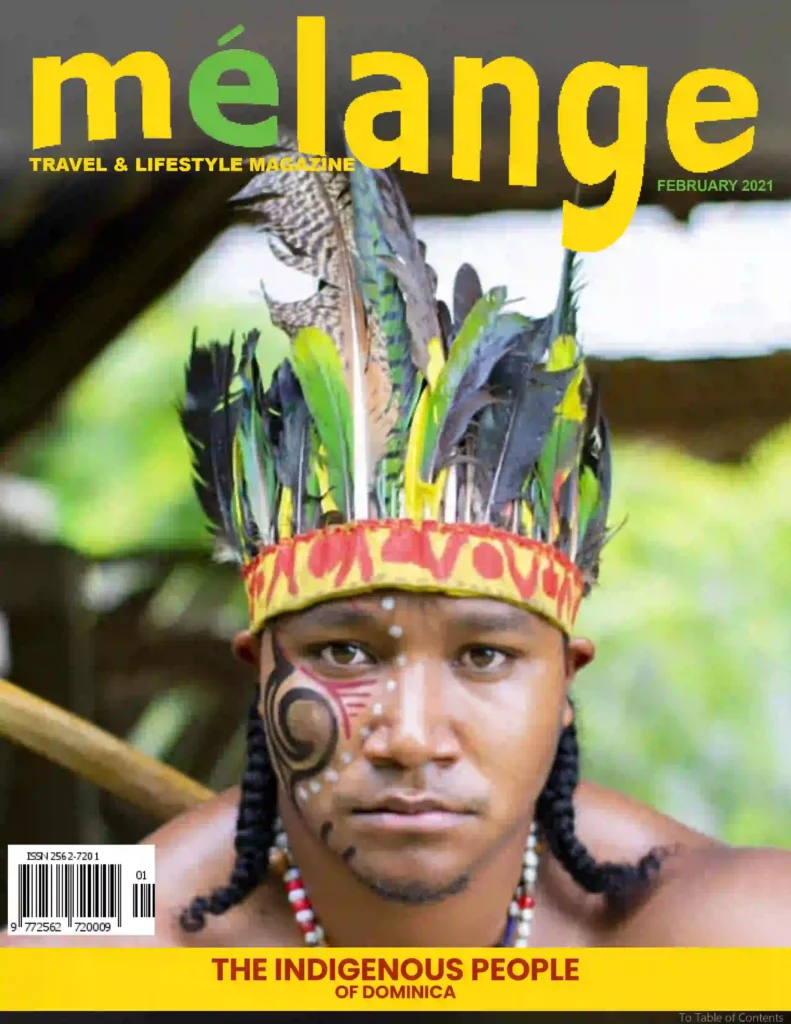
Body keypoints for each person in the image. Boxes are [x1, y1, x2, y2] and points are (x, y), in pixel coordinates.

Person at [4, 142, 790, 949]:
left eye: (483, 656)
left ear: (563, 687)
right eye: (343, 652)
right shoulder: (87, 928)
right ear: (259, 669)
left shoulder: (740, 926)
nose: (411, 737)